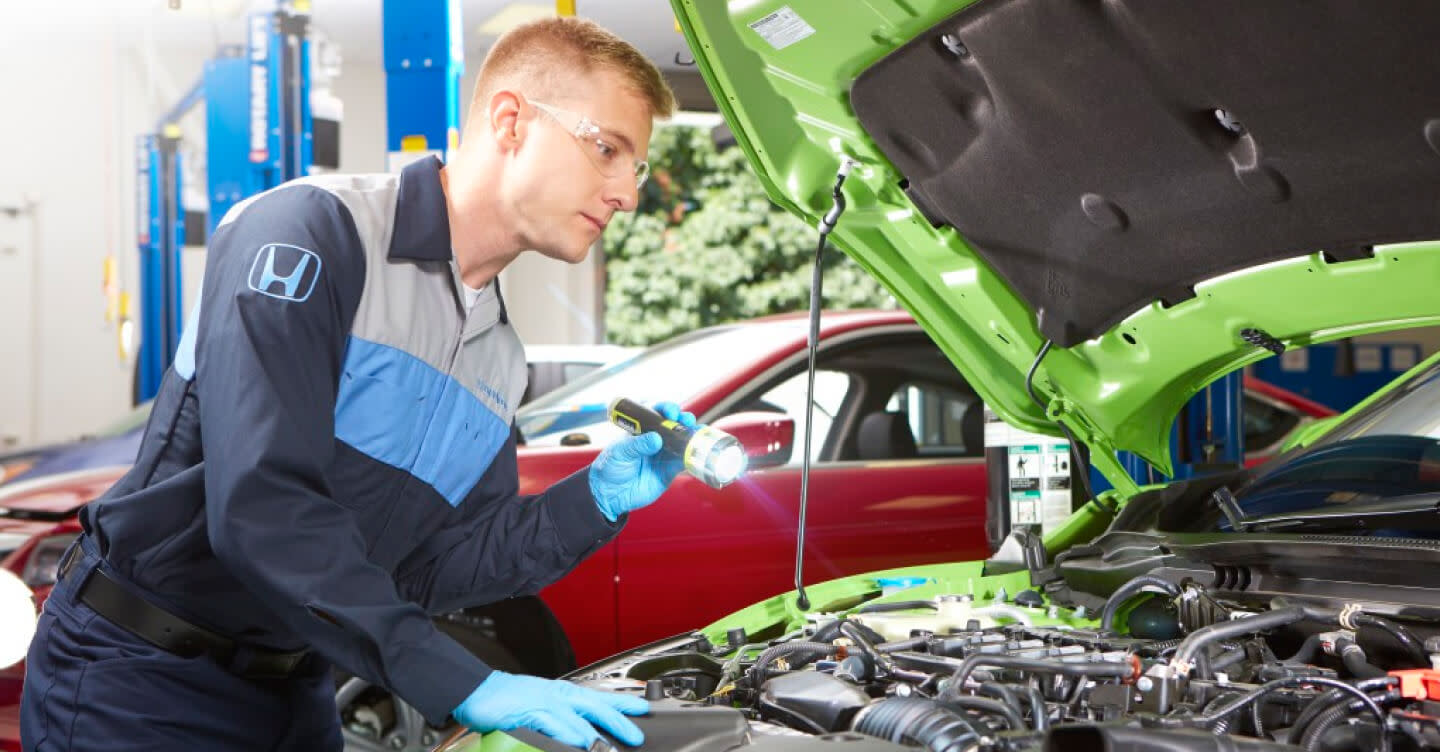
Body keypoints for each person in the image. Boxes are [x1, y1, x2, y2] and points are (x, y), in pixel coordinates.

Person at [22, 17, 681, 752]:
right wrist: (462, 683)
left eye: (636, 167)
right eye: (607, 149)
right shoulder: (311, 236)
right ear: (510, 120)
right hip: (141, 679)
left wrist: (591, 501)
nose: (626, 192)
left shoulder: (499, 356)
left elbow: (432, 568)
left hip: (296, 690)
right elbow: (263, 507)